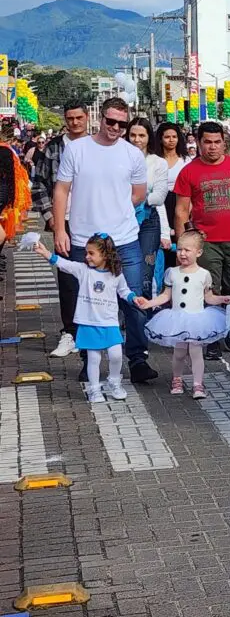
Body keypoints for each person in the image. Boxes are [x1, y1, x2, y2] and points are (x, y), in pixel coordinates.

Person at [52, 97, 157, 383]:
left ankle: (138, 359)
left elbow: (138, 193)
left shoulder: (132, 154)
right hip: (84, 240)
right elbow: (61, 190)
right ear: (100, 118)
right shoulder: (77, 149)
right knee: (85, 301)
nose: (115, 128)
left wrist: (115, 209)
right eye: (110, 121)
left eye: (122, 124)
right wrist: (60, 229)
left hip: (124, 238)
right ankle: (89, 362)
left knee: (133, 298)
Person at [174, 122, 230, 359]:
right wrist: (184, 245)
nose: (213, 147)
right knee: (210, 288)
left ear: (225, 143)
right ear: (199, 143)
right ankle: (211, 336)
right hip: (206, 242)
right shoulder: (189, 171)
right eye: (207, 142)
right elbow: (181, 211)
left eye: (217, 142)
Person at [33, 234, 137, 403]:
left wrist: (133, 298)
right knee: (93, 358)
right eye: (86, 253)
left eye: (91, 253)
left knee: (116, 355)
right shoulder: (83, 270)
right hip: (89, 322)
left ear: (105, 255)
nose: (87, 256)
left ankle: (114, 381)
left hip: (109, 322)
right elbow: (64, 264)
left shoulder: (116, 274)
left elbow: (124, 290)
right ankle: (94, 389)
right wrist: (45, 253)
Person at [138, 229, 230, 399]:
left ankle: (198, 384)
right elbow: (165, 296)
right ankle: (177, 379)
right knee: (179, 352)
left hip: (197, 320)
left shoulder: (204, 275)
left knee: (196, 352)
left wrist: (222, 299)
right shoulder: (172, 273)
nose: (182, 253)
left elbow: (209, 298)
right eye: (180, 249)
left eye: (187, 250)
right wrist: (149, 303)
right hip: (177, 318)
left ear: (199, 252)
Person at [33, 99, 90, 360]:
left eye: (79, 117)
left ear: (87, 117)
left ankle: (98, 331)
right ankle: (70, 332)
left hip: (95, 220)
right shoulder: (54, 149)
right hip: (64, 221)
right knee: (67, 277)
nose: (75, 122)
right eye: (70, 118)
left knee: (97, 277)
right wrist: (51, 219)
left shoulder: (99, 146)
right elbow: (39, 185)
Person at [126, 118, 171, 298]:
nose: (137, 140)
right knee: (123, 268)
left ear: (148, 137)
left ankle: (145, 313)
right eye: (133, 135)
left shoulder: (158, 162)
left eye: (141, 135)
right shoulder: (118, 159)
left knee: (146, 271)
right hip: (121, 219)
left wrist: (133, 198)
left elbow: (159, 197)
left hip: (148, 221)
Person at [153, 121, 189, 273]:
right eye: (167, 137)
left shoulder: (185, 160)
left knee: (181, 243)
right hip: (159, 204)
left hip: (181, 202)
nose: (171, 140)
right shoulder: (154, 159)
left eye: (174, 136)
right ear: (160, 139)